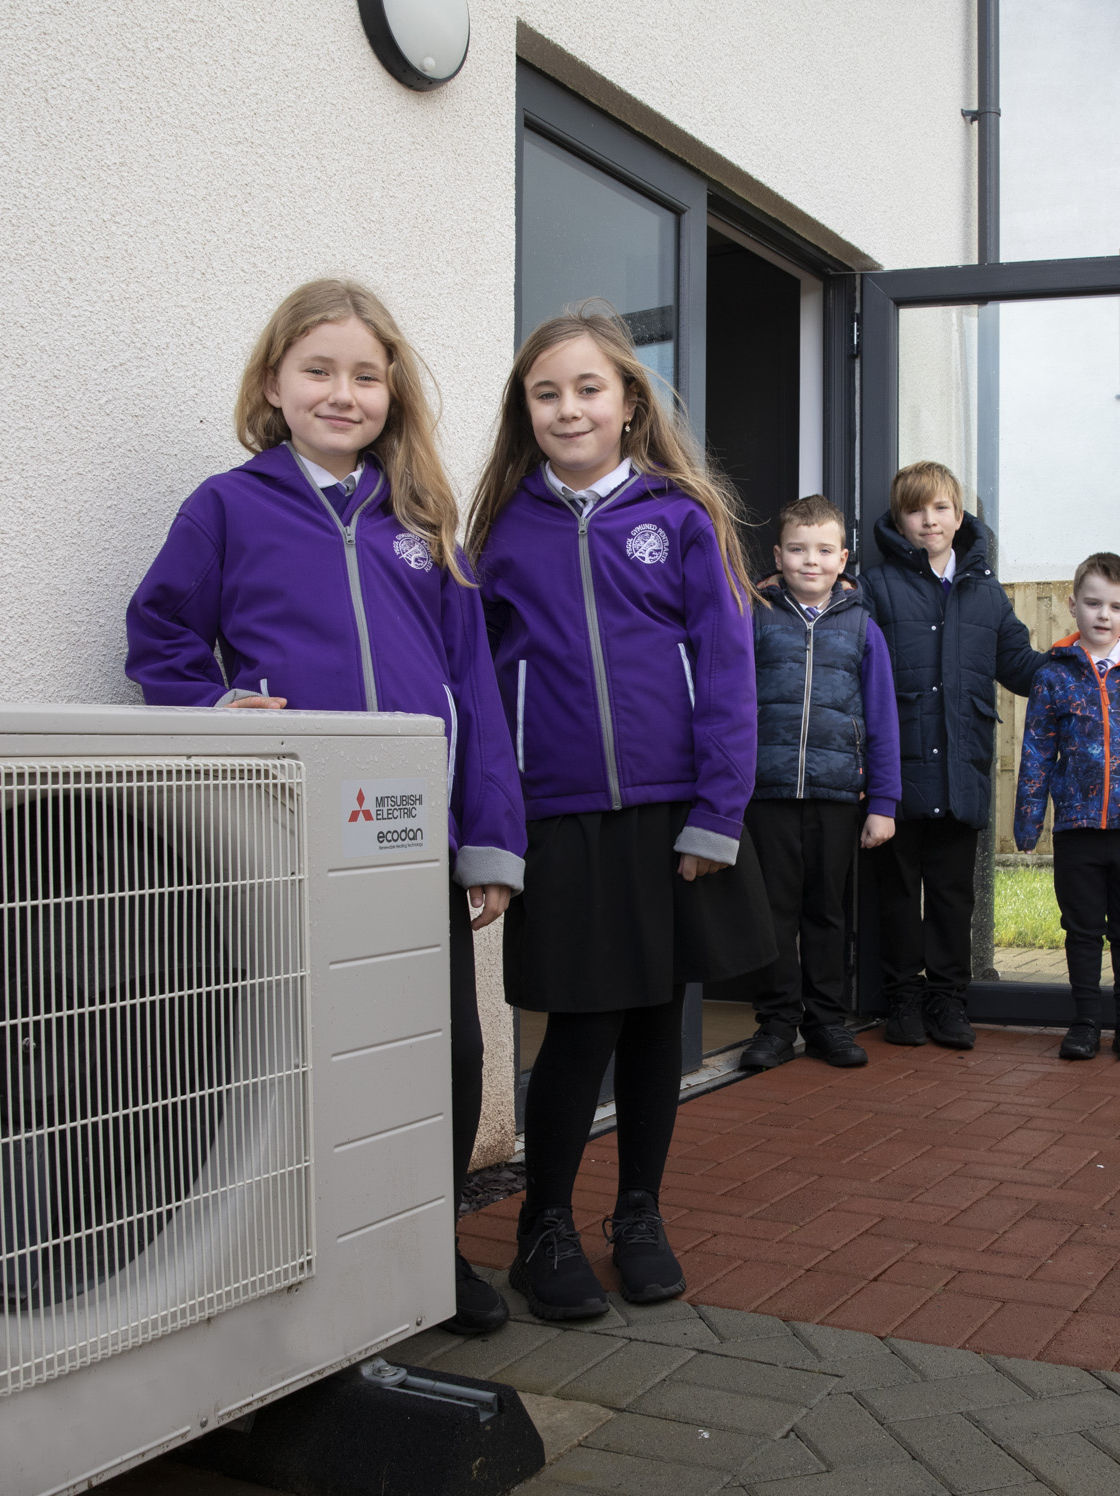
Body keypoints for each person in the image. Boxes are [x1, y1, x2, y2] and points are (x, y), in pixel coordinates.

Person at [125, 277, 525, 1336]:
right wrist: (214, 704)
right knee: (304, 1054)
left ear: (391, 393)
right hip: (285, 840)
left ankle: (423, 1250)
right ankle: (303, 1261)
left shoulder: (424, 524)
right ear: (273, 381)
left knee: (444, 1054)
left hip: (408, 843)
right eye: (318, 370)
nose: (341, 392)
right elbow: (159, 641)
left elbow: (473, 690)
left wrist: (487, 840)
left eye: (363, 374)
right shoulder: (226, 507)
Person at [465, 303, 770, 1320]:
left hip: (672, 815)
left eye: (587, 388)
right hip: (559, 821)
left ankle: (637, 1213)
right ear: (526, 409)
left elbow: (727, 671)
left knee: (652, 1022)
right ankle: (540, 1224)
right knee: (579, 1028)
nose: (566, 407)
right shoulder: (502, 531)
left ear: (629, 402)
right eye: (545, 392)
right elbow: (480, 689)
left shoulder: (681, 519)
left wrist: (717, 812)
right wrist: (494, 832)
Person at [857, 461, 1046, 1051]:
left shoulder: (985, 593)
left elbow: (1020, 665)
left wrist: (1089, 660)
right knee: (894, 895)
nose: (929, 520)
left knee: (951, 894)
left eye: (940, 508)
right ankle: (903, 999)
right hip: (896, 774)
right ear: (899, 520)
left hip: (960, 770)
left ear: (959, 517)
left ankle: (948, 1000)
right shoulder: (875, 587)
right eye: (916, 510)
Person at [738, 496, 902, 1071]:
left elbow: (882, 718)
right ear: (779, 555)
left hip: (837, 798)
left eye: (824, 550)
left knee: (827, 913)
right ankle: (776, 1024)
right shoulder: (753, 616)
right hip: (768, 794)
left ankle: (827, 1022)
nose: (812, 561)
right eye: (800, 550)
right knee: (774, 913)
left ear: (842, 559)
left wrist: (883, 803)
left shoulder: (862, 629)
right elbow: (732, 708)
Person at [1013, 553, 1120, 1063]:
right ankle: (1085, 1020)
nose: (1103, 615)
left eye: (1115, 606)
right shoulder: (1053, 676)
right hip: (1077, 825)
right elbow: (1038, 750)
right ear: (1073, 606)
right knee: (1083, 927)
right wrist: (1029, 820)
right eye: (1092, 603)